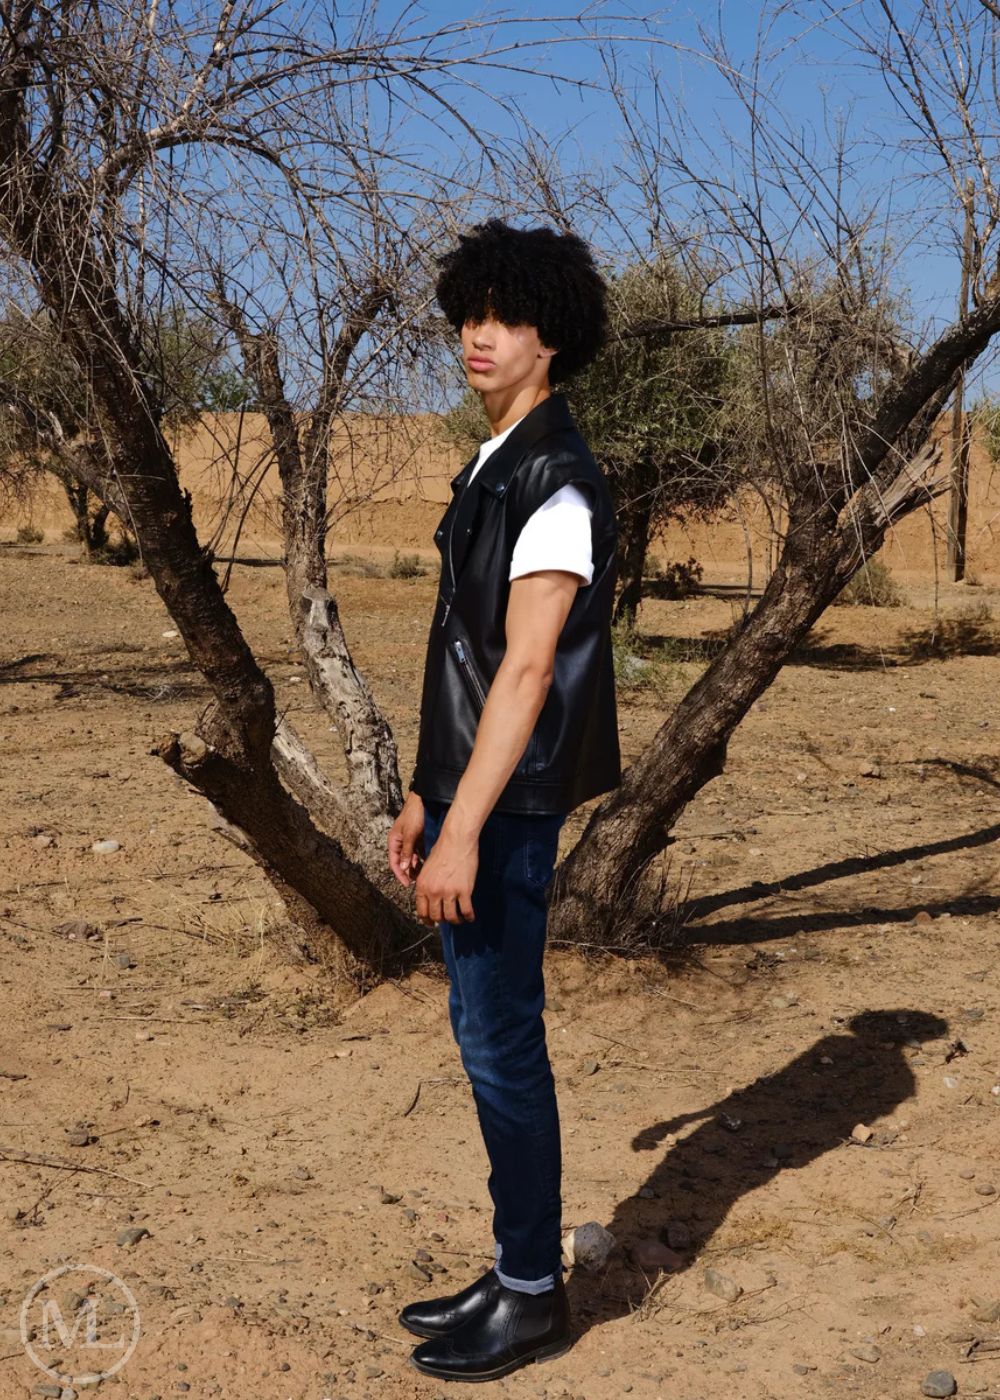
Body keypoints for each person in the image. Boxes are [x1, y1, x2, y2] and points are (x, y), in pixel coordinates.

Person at [387, 217, 622, 1383]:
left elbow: (527, 671)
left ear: (553, 336)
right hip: (472, 795)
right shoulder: (492, 460)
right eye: (470, 314)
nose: (481, 336)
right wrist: (426, 796)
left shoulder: (557, 481)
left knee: (500, 1046)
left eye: (508, 318)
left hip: (512, 810)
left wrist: (467, 826)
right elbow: (467, 654)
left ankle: (532, 1292)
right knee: (486, 1040)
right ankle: (512, 1262)